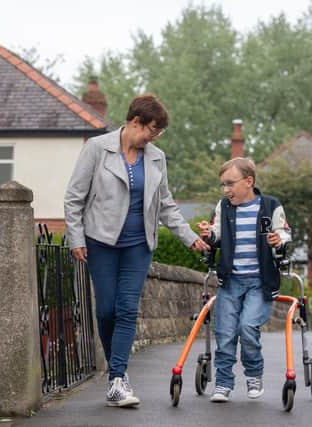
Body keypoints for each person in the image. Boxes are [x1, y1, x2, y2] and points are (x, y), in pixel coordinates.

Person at [64, 93, 209, 407]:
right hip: (100, 243)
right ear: (134, 122)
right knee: (106, 310)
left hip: (138, 245)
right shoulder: (96, 149)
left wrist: (189, 237)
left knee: (128, 309)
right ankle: (117, 375)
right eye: (152, 130)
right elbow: (74, 198)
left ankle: (117, 378)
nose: (153, 137)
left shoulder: (156, 157)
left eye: (158, 133)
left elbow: (166, 205)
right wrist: (76, 239)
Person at [197, 157, 291, 403]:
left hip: (260, 282)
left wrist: (278, 240)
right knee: (225, 333)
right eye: (223, 184)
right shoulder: (224, 207)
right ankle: (224, 383)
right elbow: (216, 234)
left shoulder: (269, 207)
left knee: (247, 327)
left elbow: (282, 232)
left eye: (230, 183)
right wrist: (209, 233)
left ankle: (253, 374)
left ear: (249, 181)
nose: (226, 189)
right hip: (230, 281)